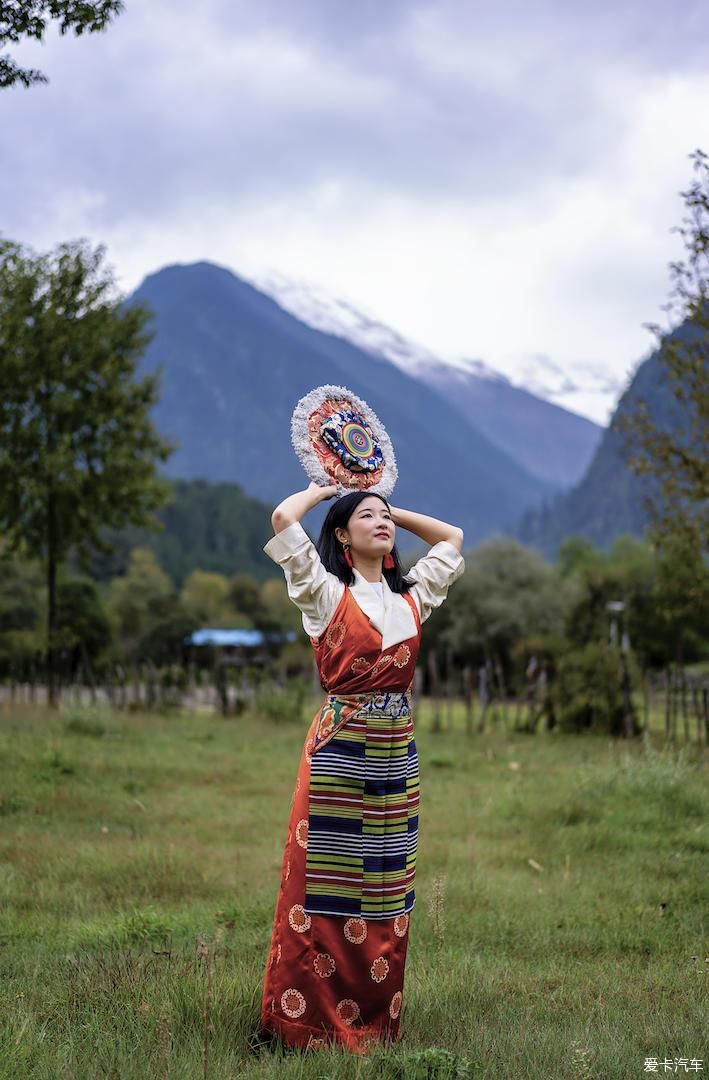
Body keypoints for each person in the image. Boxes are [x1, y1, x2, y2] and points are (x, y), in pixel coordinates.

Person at [259, 481, 465, 1053]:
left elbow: (452, 538)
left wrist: (383, 505)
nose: (382, 523)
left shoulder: (411, 599)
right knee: (323, 891)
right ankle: (302, 1028)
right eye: (366, 518)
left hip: (396, 754)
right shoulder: (325, 595)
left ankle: (374, 1026)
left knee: (385, 890)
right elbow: (282, 517)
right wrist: (329, 492)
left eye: (387, 519)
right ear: (342, 537)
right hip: (340, 753)